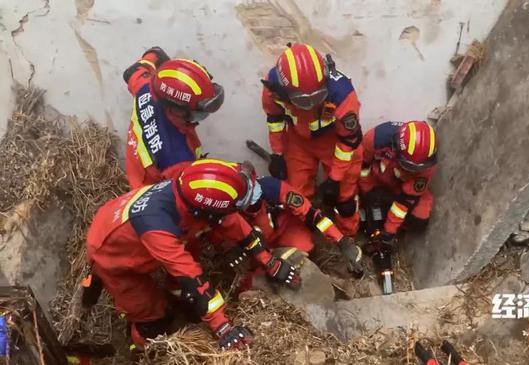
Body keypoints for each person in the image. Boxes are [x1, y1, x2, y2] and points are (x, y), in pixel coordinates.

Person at [85, 159, 300, 351]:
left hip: (125, 223)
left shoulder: (196, 192)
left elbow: (233, 223)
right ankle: (141, 349)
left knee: (180, 283)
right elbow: (191, 277)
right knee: (154, 318)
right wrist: (222, 326)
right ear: (207, 212)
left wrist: (269, 261)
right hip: (111, 255)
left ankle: (173, 297)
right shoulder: (157, 227)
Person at [260, 43, 363, 235]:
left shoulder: (342, 92)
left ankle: (349, 236)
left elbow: (349, 141)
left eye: (316, 97)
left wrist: (335, 177)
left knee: (345, 198)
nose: (310, 104)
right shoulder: (272, 87)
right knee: (296, 193)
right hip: (298, 142)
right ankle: (303, 238)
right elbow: (274, 120)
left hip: (335, 143)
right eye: (303, 100)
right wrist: (278, 154)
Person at [123, 47, 225, 188]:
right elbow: (184, 196)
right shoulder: (178, 160)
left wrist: (171, 71)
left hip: (136, 159)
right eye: (198, 112)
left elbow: (134, 71)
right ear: (175, 109)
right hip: (146, 185)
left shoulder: (147, 88)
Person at [228, 175, 363, 275]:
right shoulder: (227, 209)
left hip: (285, 227)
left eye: (256, 201)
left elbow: (312, 215)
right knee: (259, 273)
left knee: (303, 246)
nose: (254, 206)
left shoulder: (273, 188)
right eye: (250, 205)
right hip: (255, 240)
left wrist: (341, 240)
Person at [358, 120, 437, 248]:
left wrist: (389, 231)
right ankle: (374, 214)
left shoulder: (427, 164)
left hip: (403, 190)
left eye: (416, 168)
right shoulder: (376, 139)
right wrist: (366, 191)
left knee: (419, 220)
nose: (411, 171)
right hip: (378, 179)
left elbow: (405, 201)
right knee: (368, 201)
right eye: (408, 165)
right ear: (396, 147)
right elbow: (362, 166)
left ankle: (385, 220)